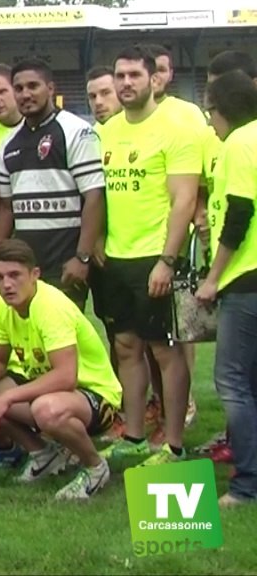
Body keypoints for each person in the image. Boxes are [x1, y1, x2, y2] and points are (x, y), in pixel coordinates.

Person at [0, 239, 122, 500]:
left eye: (14, 275)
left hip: (95, 396)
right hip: (49, 389)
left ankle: (95, 467)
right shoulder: (3, 307)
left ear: (35, 275)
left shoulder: (50, 306)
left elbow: (66, 376)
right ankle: (43, 453)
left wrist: (7, 397)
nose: (6, 284)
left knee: (47, 410)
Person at [98, 46, 199, 466]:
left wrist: (167, 260)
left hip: (154, 258)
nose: (125, 84)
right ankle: (135, 435)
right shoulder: (106, 131)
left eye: (134, 75)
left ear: (153, 78)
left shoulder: (174, 129)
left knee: (165, 351)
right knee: (125, 347)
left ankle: (173, 445)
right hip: (115, 259)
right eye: (119, 76)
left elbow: (184, 200)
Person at [0, 58, 104, 307]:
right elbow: (6, 207)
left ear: (51, 89)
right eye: (19, 88)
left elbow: (94, 197)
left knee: (60, 338)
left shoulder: (76, 131)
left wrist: (82, 257)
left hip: (65, 262)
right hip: (24, 263)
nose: (25, 94)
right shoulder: (8, 143)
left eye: (33, 86)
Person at [194, 70, 257, 506]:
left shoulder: (238, 142)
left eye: (210, 110)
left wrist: (213, 277)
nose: (210, 120)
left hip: (246, 277)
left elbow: (239, 213)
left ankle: (247, 485)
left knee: (232, 382)